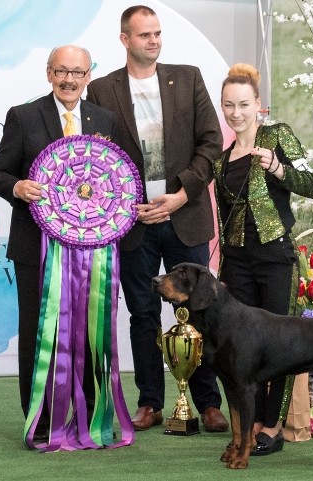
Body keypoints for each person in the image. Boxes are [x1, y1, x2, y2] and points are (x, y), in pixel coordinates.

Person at [86, 5, 228, 432]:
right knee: (143, 314)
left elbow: (212, 141)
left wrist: (182, 194)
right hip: (132, 224)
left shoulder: (187, 77)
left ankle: (208, 403)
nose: (154, 40)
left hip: (185, 216)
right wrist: (124, 203)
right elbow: (99, 158)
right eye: (144, 34)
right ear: (125, 39)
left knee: (202, 311)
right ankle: (150, 402)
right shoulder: (101, 89)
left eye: (157, 33)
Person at [0, 45, 118, 439]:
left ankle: (90, 417)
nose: (69, 80)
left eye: (77, 73)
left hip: (90, 252)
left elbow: (114, 182)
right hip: (35, 251)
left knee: (89, 335)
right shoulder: (23, 116)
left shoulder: (105, 120)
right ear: (48, 74)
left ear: (88, 77)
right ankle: (40, 421)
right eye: (61, 71)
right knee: (38, 336)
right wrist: (18, 187)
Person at [212, 63, 313, 454]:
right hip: (237, 263)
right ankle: (247, 426)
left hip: (275, 257)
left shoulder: (278, 136)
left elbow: (311, 184)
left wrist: (276, 167)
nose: (236, 113)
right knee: (241, 350)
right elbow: (225, 224)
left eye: (243, 104)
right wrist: (222, 270)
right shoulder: (221, 162)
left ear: (259, 104)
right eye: (228, 106)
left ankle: (271, 428)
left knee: (282, 344)